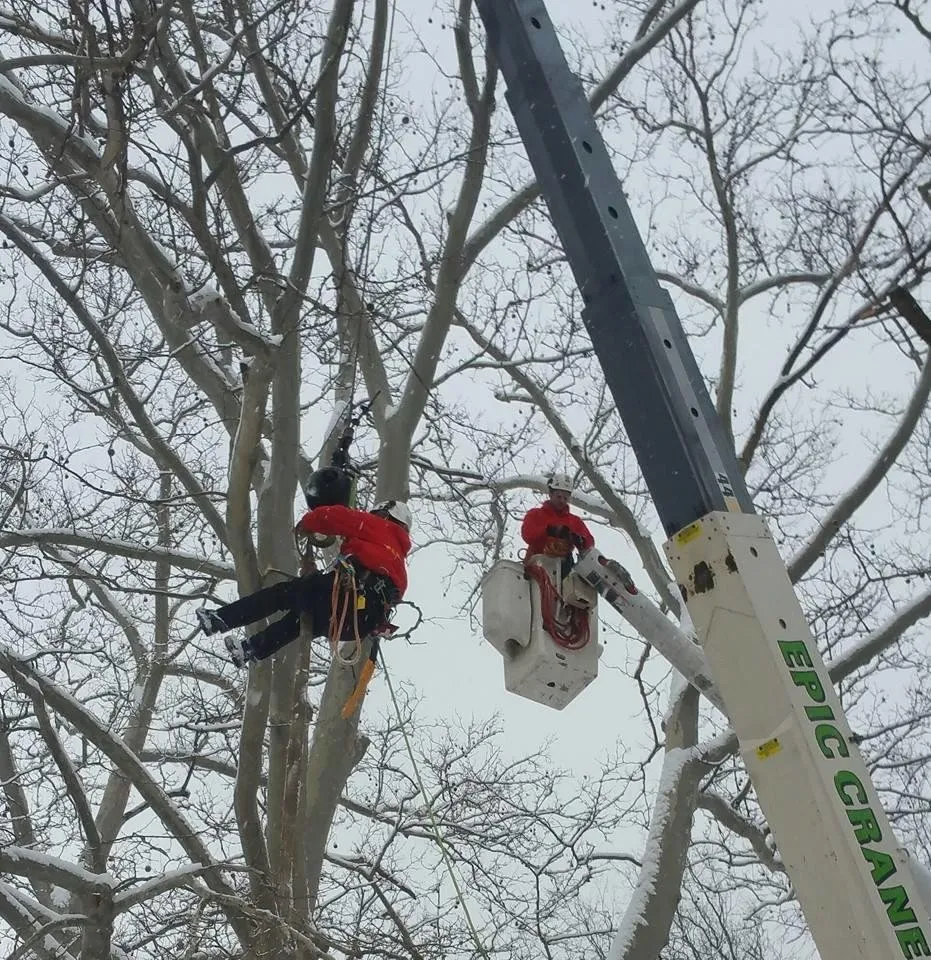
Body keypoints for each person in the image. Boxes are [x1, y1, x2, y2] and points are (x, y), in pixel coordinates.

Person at [195, 500, 412, 667]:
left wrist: (309, 522)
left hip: (343, 598)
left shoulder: (380, 527)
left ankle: (219, 619)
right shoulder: (400, 567)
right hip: (355, 623)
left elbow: (338, 517)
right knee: (299, 622)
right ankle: (250, 649)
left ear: (386, 514)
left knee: (283, 594)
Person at [521, 473, 594, 575]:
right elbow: (528, 535)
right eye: (559, 496)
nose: (562, 501)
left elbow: (589, 545)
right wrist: (548, 531)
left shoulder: (575, 522)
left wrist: (581, 540)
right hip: (535, 568)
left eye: (565, 498)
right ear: (550, 494)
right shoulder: (535, 514)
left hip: (563, 570)